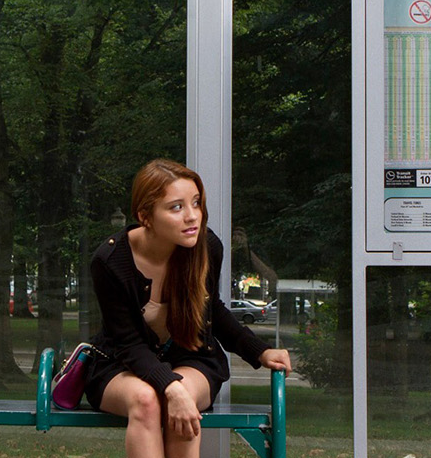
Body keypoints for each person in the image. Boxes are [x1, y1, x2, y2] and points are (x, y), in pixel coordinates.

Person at [83, 159, 291, 458]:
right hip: (121, 363)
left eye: (196, 203)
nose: (193, 216)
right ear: (146, 216)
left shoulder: (206, 247)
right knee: (146, 400)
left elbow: (213, 312)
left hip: (192, 356)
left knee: (180, 399)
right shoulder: (110, 261)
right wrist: (169, 385)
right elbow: (127, 342)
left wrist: (259, 350)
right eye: (176, 207)